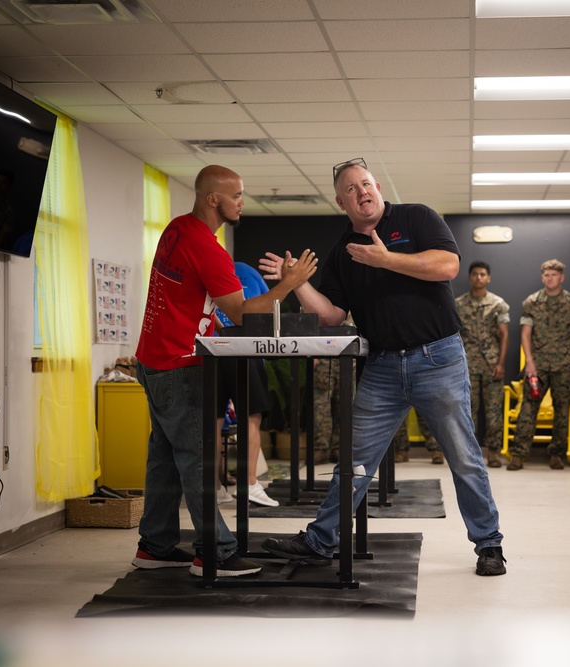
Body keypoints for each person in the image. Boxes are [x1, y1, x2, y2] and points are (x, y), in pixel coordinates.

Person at [258, 157, 506, 576]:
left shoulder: (416, 218)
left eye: (366, 183)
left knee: (463, 456)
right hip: (383, 367)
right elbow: (332, 316)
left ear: (378, 186)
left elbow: (447, 265)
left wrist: (385, 259)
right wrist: (296, 282)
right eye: (351, 189)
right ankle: (321, 541)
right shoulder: (342, 253)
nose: (362, 192)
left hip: (438, 358)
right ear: (342, 201)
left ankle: (489, 544)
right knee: (353, 462)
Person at [132, 165, 317, 578]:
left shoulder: (175, 229)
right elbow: (243, 311)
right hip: (179, 367)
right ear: (212, 199)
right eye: (236, 195)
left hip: (152, 360)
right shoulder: (206, 247)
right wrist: (289, 283)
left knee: (164, 458)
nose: (241, 202)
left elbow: (191, 302)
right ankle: (216, 551)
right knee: (197, 462)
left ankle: (155, 545)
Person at [510, 259, 570, 470]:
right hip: (539, 365)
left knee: (562, 411)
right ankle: (518, 454)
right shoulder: (531, 302)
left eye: (553, 275)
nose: (549, 278)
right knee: (528, 408)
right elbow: (526, 335)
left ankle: (556, 454)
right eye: (546, 275)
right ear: (542, 277)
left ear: (561, 277)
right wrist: (530, 363)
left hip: (565, 365)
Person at [213, 261, 278, 508]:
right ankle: (249, 483)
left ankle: (216, 487)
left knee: (215, 420)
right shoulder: (248, 273)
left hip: (213, 348)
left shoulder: (211, 271)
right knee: (251, 416)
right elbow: (270, 309)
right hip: (244, 347)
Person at [455, 261, 510, 468]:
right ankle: (469, 454)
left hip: (492, 363)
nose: (479, 278)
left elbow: (505, 335)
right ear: (470, 277)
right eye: (475, 274)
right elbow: (455, 334)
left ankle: (494, 453)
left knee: (494, 411)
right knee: (467, 411)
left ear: (489, 278)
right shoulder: (458, 304)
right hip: (467, 363)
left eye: (483, 274)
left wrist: (502, 363)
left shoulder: (498, 304)